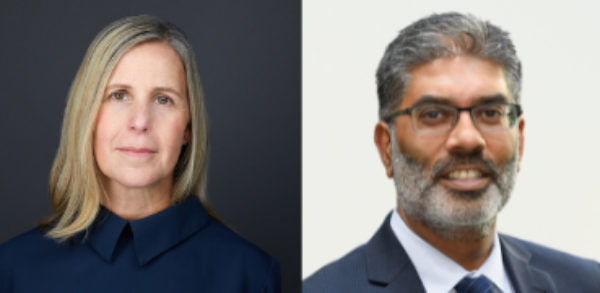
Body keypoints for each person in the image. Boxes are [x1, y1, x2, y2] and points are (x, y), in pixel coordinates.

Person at [303, 12, 600, 293]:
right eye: (433, 114)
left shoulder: (586, 283)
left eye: (490, 113)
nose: (468, 139)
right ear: (386, 146)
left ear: (519, 140)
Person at [0, 15, 280, 293]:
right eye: (119, 95)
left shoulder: (250, 275)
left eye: (163, 99)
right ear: (87, 117)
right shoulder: (12, 269)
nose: (141, 121)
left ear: (188, 128)